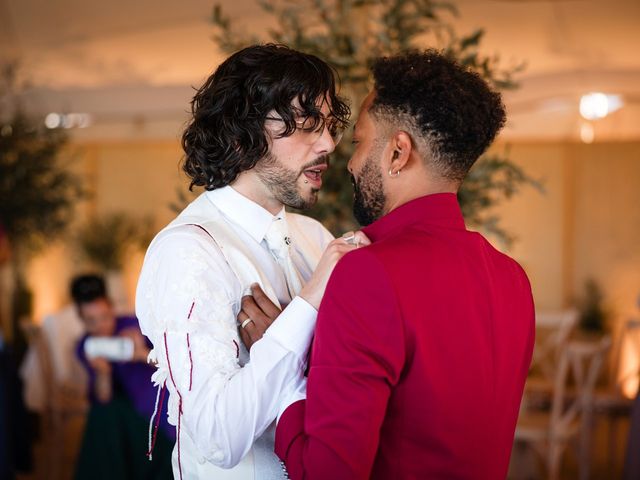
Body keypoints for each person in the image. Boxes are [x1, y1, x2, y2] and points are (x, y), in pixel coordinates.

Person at [267, 50, 536, 479]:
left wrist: (282, 376)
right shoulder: (513, 278)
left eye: (357, 142)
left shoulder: (367, 273)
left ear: (397, 152)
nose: (349, 164)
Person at [135, 43, 366, 480]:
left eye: (330, 126)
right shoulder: (188, 252)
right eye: (307, 125)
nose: (329, 143)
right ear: (242, 136)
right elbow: (219, 438)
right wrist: (307, 306)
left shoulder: (315, 238)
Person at [73, 274, 173, 480]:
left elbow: (173, 365)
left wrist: (140, 353)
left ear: (111, 308)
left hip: (157, 406)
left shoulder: (134, 324)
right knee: (102, 415)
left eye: (104, 317)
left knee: (102, 419)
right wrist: (103, 372)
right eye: (91, 321)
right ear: (81, 320)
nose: (101, 326)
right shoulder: (88, 345)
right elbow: (104, 397)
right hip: (126, 417)